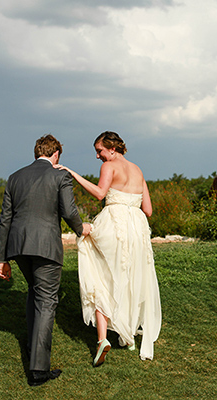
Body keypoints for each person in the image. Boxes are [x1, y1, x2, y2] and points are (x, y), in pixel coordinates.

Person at [55, 131, 161, 366]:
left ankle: (103, 338)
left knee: (98, 273)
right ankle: (128, 334)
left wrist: (73, 174)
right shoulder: (138, 170)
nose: (97, 156)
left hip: (115, 223)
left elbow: (100, 194)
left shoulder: (109, 166)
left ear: (112, 149)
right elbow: (149, 210)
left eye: (99, 150)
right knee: (129, 277)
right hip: (137, 229)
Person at [0, 134, 92, 387]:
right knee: (48, 300)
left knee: (34, 292)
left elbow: (5, 219)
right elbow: (69, 211)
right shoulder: (60, 176)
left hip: (18, 247)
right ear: (56, 154)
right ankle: (38, 370)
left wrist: (2, 259)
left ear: (36, 152)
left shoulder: (14, 177)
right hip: (46, 246)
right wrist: (82, 229)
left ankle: (32, 346)